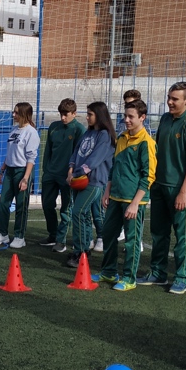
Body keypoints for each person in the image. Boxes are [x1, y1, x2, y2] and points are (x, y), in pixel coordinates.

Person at [140, 82, 186, 294]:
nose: (170, 102)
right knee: (158, 232)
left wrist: (184, 191)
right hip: (159, 186)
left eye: (175, 99)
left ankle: (182, 277)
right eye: (169, 97)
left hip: (178, 189)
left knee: (182, 235)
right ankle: (157, 273)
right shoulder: (166, 119)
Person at [97, 99, 155, 289]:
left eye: (131, 117)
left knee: (131, 240)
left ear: (142, 117)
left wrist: (135, 203)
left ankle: (129, 278)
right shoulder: (121, 138)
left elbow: (149, 176)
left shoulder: (147, 143)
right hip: (115, 197)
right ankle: (108, 272)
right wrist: (107, 191)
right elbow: (114, 168)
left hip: (132, 201)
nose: (126, 120)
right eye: (125, 116)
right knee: (108, 234)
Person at [63, 101, 116, 268]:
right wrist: (71, 169)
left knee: (77, 212)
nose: (87, 117)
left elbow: (94, 160)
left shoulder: (105, 136)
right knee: (84, 215)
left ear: (99, 115)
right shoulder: (88, 133)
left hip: (93, 182)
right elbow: (76, 152)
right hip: (78, 180)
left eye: (90, 114)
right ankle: (84, 249)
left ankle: (79, 251)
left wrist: (77, 173)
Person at [0, 102, 40, 249]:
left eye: (16, 112)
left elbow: (31, 157)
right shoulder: (14, 130)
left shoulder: (31, 132)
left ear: (24, 114)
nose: (13, 115)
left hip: (22, 171)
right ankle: (3, 234)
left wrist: (26, 177)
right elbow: (10, 153)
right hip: (10, 171)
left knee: (21, 206)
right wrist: (2, 170)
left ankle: (19, 236)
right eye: (14, 112)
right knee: (3, 204)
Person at [40, 98, 85, 251]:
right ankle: (52, 235)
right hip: (50, 174)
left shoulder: (79, 129)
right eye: (61, 114)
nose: (62, 118)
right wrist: (46, 170)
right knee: (47, 205)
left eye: (66, 115)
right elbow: (48, 150)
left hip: (68, 176)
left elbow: (80, 154)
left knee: (66, 209)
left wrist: (73, 174)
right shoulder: (53, 127)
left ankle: (61, 240)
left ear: (74, 113)